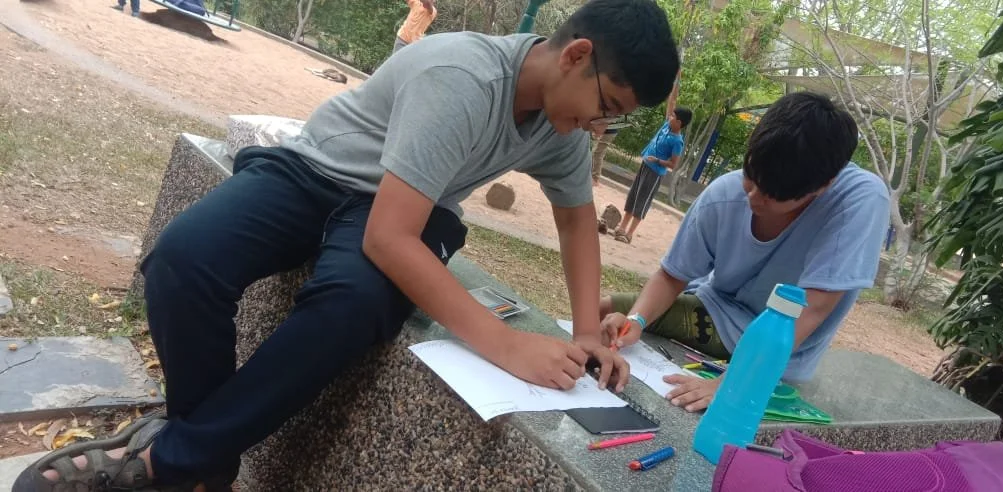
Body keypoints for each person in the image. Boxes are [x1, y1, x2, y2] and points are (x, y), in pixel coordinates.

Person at [15, 0, 680, 490]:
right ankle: (199, 461)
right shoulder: (466, 78)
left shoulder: (559, 131)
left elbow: (574, 220)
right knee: (184, 260)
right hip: (317, 170)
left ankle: (174, 457)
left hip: (415, 205)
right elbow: (389, 239)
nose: (601, 127)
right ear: (575, 56)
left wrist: (590, 330)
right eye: (608, 106)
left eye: (615, 121)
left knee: (353, 306)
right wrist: (505, 344)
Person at [599, 91, 890, 412]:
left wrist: (729, 385)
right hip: (713, 306)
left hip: (779, 345)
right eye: (750, 178)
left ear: (823, 186)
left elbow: (812, 308)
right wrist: (637, 320)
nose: (753, 197)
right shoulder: (723, 193)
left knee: (611, 310)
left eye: (773, 195)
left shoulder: (859, 201)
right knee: (609, 313)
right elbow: (671, 276)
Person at [613, 106, 692, 244]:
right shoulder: (666, 127)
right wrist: (675, 85)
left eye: (673, 116)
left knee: (642, 201)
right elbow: (671, 103)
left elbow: (673, 164)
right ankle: (622, 227)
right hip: (645, 166)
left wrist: (657, 161)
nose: (669, 117)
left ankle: (629, 233)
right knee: (633, 196)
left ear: (679, 123)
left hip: (655, 172)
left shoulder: (677, 141)